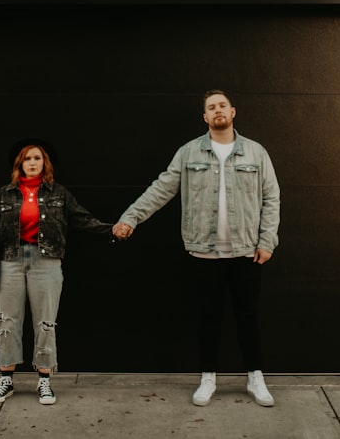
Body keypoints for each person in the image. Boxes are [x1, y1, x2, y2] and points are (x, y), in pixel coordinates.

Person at [112, 89, 280, 407]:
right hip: (203, 252)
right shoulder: (189, 153)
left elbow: (271, 198)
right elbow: (162, 188)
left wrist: (266, 241)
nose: (217, 110)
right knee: (208, 317)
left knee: (248, 317)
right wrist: (131, 217)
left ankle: (255, 377)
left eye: (222, 106)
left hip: (246, 251)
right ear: (205, 117)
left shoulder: (256, 153)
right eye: (211, 107)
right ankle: (208, 378)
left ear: (233, 112)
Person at [0, 140, 116, 406]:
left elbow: (83, 219)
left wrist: (112, 229)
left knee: (45, 321)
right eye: (27, 159)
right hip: (10, 262)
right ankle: (6, 379)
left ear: (45, 164)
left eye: (37, 158)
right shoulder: (6, 194)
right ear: (19, 164)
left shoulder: (59, 194)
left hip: (46, 262)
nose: (32, 163)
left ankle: (44, 380)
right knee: (7, 321)